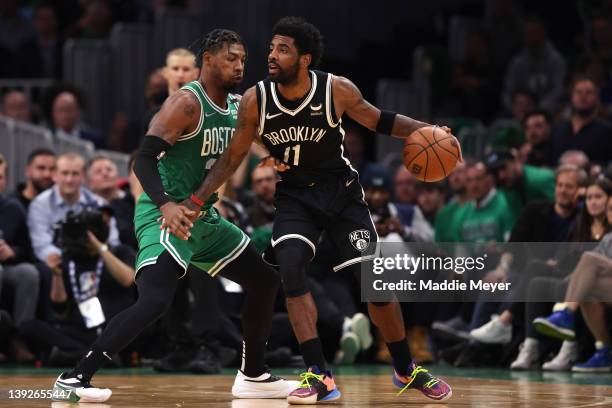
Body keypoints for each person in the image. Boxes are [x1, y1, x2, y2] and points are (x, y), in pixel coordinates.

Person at [182, 17, 453, 404]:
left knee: (374, 284)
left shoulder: (336, 89)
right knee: (290, 269)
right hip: (296, 197)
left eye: (283, 49)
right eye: (271, 48)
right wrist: (197, 199)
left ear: (305, 58)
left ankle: (406, 368)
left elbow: (381, 121)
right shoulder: (256, 100)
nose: (271, 55)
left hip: (341, 194)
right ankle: (319, 373)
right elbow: (233, 155)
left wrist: (430, 130)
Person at [51, 29, 297, 403]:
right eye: (231, 58)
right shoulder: (185, 103)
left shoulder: (235, 106)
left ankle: (253, 374)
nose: (239, 66)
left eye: (244, 60)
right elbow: (144, 161)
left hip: (202, 216)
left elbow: (257, 146)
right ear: (209, 59)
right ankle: (75, 377)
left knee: (264, 281)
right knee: (154, 301)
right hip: (164, 213)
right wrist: (166, 203)